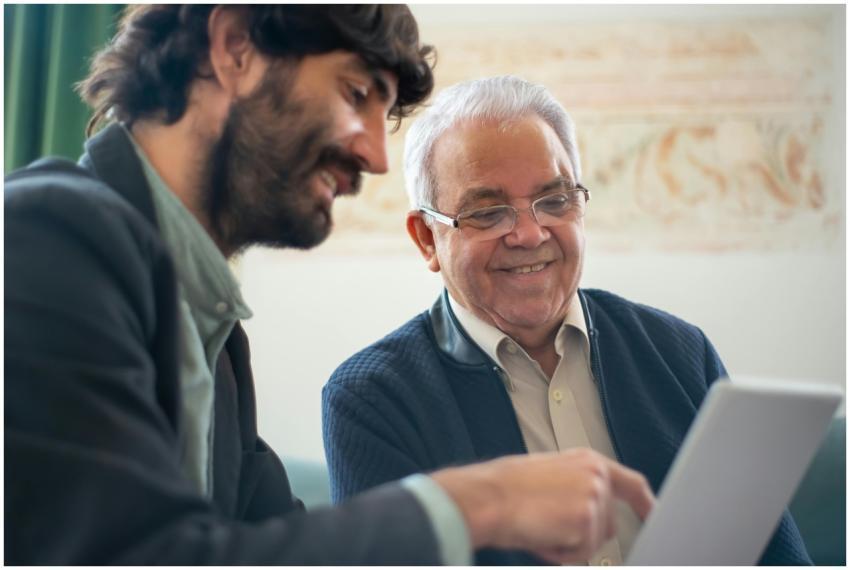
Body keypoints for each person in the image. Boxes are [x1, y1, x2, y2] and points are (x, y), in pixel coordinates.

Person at [4, 7, 655, 566]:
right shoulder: (45, 235)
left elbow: (276, 546)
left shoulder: (215, 336)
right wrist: (483, 501)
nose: (374, 155)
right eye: (355, 93)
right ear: (235, 49)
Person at [322, 75, 812, 565]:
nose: (531, 234)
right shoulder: (370, 400)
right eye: (489, 212)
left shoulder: (680, 352)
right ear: (427, 239)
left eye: (555, 201)